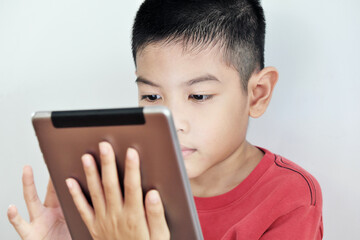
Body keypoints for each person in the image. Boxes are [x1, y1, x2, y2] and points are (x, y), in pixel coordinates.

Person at [7, 0, 323, 239]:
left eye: (199, 96)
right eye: (152, 97)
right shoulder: (129, 189)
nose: (172, 121)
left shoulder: (290, 197)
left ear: (257, 94)